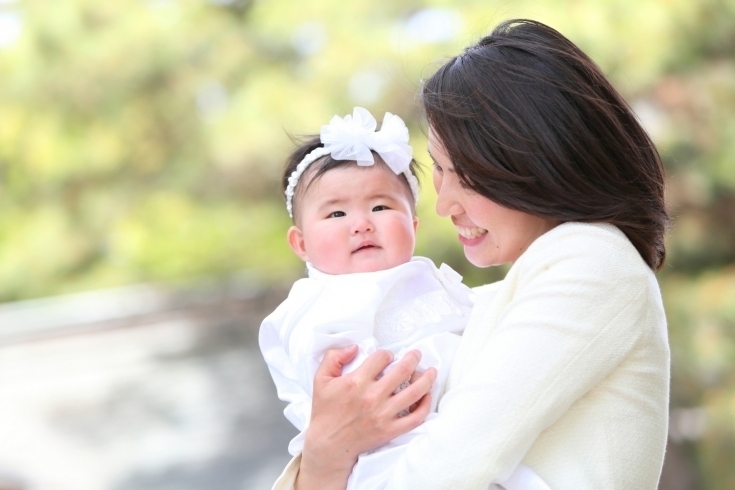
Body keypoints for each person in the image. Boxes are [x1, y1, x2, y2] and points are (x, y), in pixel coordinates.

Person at [272, 19, 671, 490]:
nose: (444, 205)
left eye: (464, 174)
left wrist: (326, 456)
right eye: (439, 172)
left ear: (530, 160)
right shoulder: (494, 300)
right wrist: (324, 454)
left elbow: (446, 471)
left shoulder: (591, 263)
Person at [260, 107, 551, 490]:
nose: (361, 223)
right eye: (336, 213)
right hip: (385, 451)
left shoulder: (422, 278)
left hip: (463, 431)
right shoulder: (319, 302)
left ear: (413, 227)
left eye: (380, 207)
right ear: (301, 243)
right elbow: (341, 381)